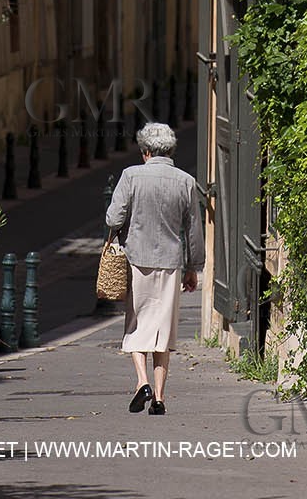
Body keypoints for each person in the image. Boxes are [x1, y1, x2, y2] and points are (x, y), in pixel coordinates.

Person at [104, 121, 204, 415]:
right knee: (164, 330)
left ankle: (141, 382)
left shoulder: (131, 176)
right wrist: (193, 267)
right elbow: (193, 230)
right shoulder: (186, 181)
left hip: (137, 259)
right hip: (172, 263)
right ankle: (159, 398)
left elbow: (113, 218)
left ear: (146, 151)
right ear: (170, 150)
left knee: (136, 324)